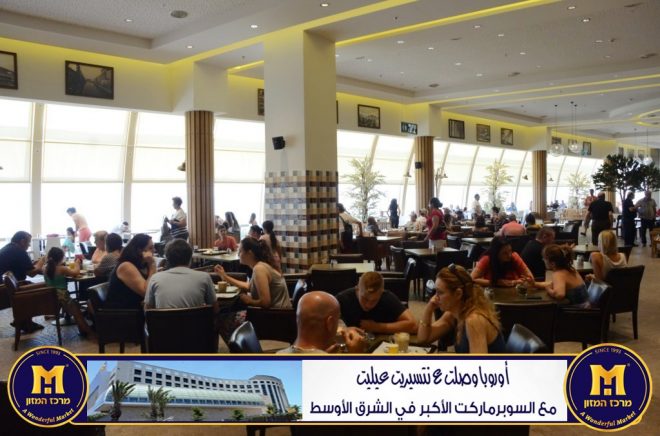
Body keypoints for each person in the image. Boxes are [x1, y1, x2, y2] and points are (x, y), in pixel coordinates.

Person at [417, 265, 505, 353]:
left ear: (458, 294)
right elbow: (423, 338)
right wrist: (429, 308)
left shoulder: (474, 320)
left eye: (440, 292)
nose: (435, 297)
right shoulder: (454, 313)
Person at [278, 291, 367, 354]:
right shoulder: (333, 367)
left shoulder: (279, 355)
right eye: (337, 320)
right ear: (330, 323)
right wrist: (357, 355)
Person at [214, 238, 290, 309]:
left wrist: (249, 301)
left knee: (225, 314)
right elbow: (249, 287)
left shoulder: (259, 269)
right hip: (278, 313)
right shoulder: (260, 266)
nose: (238, 254)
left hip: (276, 315)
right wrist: (224, 276)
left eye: (240, 251)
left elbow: (265, 303)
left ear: (250, 253)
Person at [145, 239, 218, 311]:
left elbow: (147, 310)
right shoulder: (204, 277)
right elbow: (215, 309)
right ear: (190, 258)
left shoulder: (155, 278)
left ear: (168, 259)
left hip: (163, 319)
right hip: (195, 319)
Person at [336, 271, 417, 334]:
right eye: (365, 298)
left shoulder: (387, 298)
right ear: (357, 289)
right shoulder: (343, 299)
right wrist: (345, 329)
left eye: (374, 300)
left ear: (381, 293)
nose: (368, 305)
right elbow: (328, 325)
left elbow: (413, 325)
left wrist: (377, 327)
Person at [0, 231, 46, 332]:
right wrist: (43, 260)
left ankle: (22, 321)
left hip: (5, 285)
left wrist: (36, 264)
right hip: (5, 289)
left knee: (29, 285)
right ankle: (23, 321)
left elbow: (25, 266)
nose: (29, 245)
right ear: (22, 241)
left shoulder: (10, 248)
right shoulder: (19, 251)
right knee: (37, 291)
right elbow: (31, 273)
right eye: (28, 242)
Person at [42, 247, 93, 335]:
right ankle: (88, 332)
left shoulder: (44, 268)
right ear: (61, 258)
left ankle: (83, 330)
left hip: (51, 295)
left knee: (75, 307)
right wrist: (77, 264)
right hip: (62, 296)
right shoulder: (62, 268)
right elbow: (75, 272)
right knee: (77, 312)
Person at [104, 234, 157, 310]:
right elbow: (146, 292)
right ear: (139, 250)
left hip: (136, 306)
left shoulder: (143, 265)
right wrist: (152, 266)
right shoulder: (126, 266)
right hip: (122, 312)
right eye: (151, 248)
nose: (154, 250)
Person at [471, 236, 535, 287]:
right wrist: (497, 283)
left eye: (510, 251)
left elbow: (530, 278)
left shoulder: (514, 256)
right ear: (496, 253)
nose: (509, 255)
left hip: (514, 291)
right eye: (504, 253)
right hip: (493, 293)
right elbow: (472, 279)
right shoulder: (487, 259)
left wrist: (517, 282)